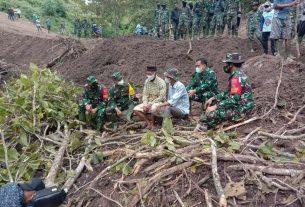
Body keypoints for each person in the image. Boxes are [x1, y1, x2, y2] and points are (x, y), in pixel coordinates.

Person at [196, 53, 255, 131]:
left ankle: (213, 128)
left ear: (231, 65)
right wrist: (213, 98)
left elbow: (233, 100)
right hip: (241, 105)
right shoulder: (238, 75)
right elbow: (227, 93)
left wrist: (215, 107)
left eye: (227, 64)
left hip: (242, 110)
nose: (225, 66)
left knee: (211, 114)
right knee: (212, 103)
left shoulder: (236, 79)